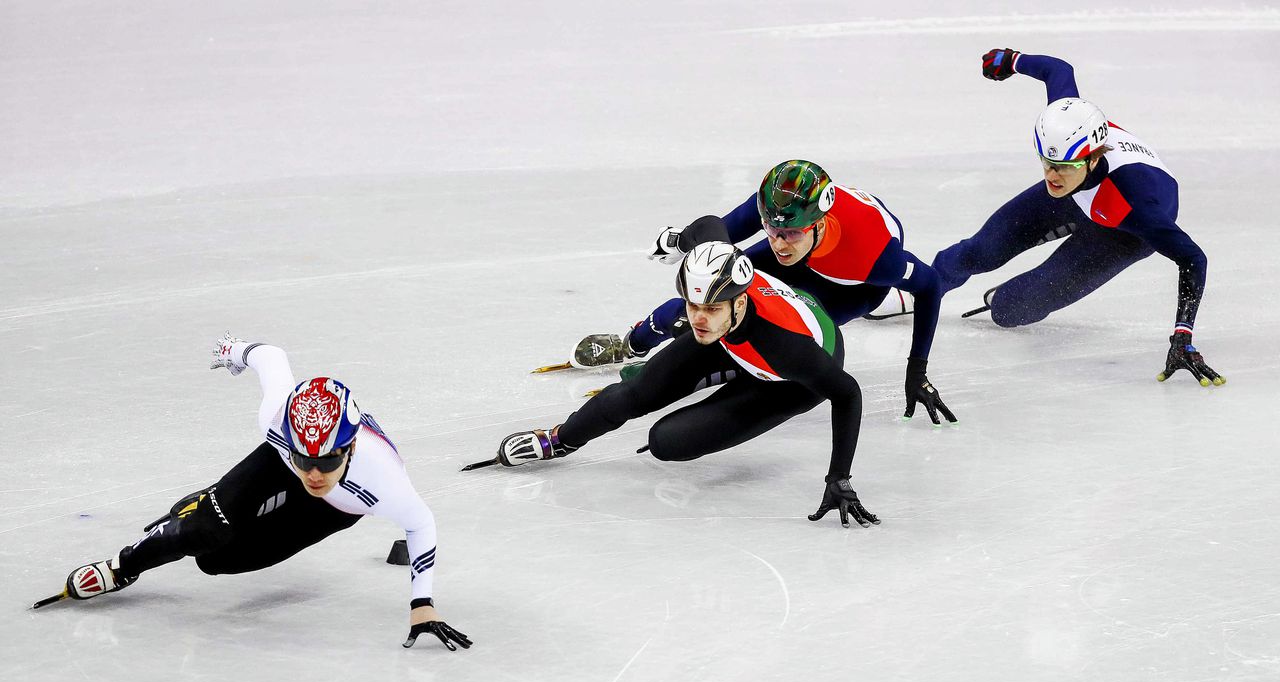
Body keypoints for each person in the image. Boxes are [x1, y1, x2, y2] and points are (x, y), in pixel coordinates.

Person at [40, 333, 471, 651]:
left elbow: (422, 524)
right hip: (274, 463)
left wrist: (422, 605)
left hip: (338, 508)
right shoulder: (276, 421)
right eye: (306, 459)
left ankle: (203, 511)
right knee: (204, 531)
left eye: (327, 461)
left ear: (351, 446)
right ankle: (123, 566)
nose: (315, 473)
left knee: (216, 563)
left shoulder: (383, 481)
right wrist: (233, 352)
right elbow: (270, 356)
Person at [489, 219, 879, 529]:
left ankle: (731, 377)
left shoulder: (786, 349)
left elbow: (847, 394)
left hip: (788, 381)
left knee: (666, 442)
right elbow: (709, 225)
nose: (699, 317)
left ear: (738, 300)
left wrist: (838, 478)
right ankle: (560, 440)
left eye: (710, 308)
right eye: (693, 304)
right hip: (735, 339)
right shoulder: (715, 291)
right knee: (634, 392)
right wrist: (678, 240)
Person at [573, 159, 956, 425]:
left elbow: (931, 286)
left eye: (788, 233)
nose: (778, 242)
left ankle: (888, 301)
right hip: (815, 258)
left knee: (765, 335)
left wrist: (916, 371)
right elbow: (721, 237)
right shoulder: (780, 209)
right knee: (701, 298)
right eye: (770, 229)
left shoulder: (876, 258)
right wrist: (682, 241)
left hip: (850, 287)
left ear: (818, 223)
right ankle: (632, 344)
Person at [932, 48, 1225, 387]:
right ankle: (921, 288)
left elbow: (1193, 258)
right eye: (1045, 161)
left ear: (1091, 158)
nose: (1050, 175)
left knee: (1009, 311)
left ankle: (1018, 291)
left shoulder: (1138, 205)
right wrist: (1011, 60)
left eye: (1062, 166)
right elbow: (1058, 69)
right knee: (980, 250)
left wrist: (1182, 336)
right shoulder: (1068, 123)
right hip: (1080, 193)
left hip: (1122, 231)